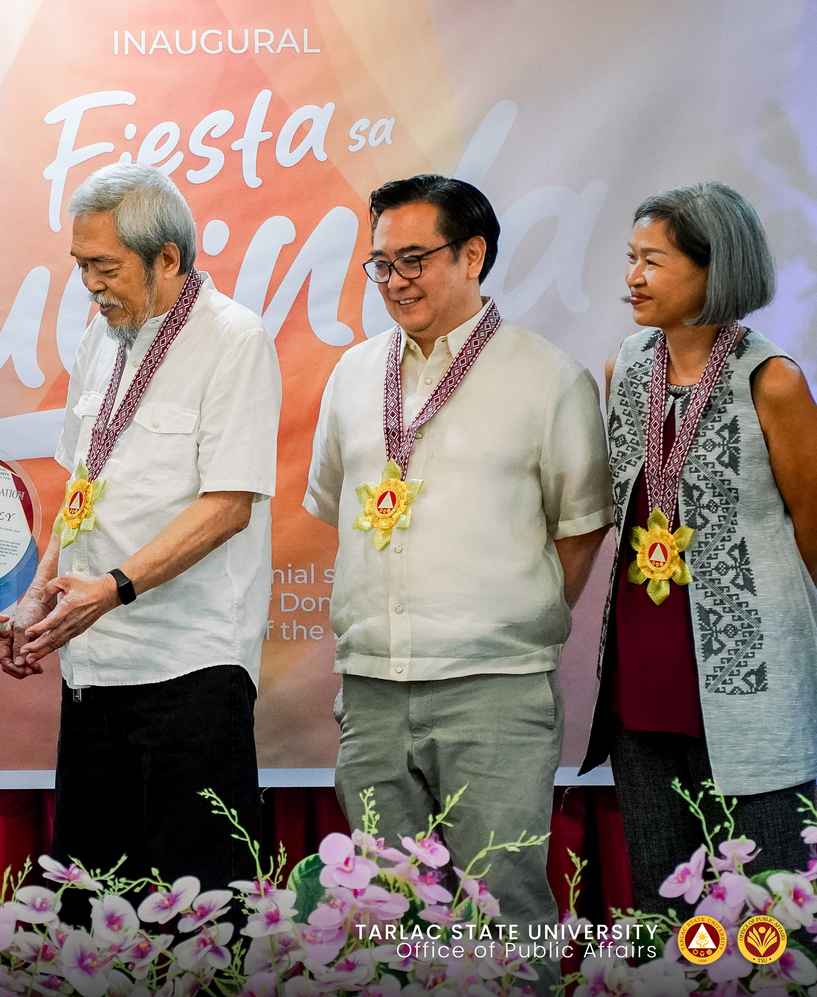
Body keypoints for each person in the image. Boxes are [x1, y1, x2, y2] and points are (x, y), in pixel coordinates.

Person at [305, 175, 613, 949]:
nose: (394, 281)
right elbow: (337, 505)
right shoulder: (352, 375)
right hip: (373, 691)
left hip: (495, 691)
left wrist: (510, 617)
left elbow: (579, 529)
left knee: (504, 910)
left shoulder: (549, 377)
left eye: (414, 259)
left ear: (472, 255)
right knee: (383, 916)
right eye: (381, 264)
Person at [0, 163, 281, 896]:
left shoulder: (235, 339)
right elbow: (79, 488)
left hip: (191, 670)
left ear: (167, 259)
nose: (90, 286)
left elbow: (229, 504)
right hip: (92, 669)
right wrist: (38, 595)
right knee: (86, 908)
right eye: (80, 266)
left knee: (206, 912)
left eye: (105, 267)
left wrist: (113, 588)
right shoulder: (101, 337)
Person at [579, 183, 817, 916]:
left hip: (748, 679)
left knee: (775, 910)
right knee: (665, 907)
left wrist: (750, 601)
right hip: (642, 671)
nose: (632, 276)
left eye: (653, 261)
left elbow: (814, 518)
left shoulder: (773, 379)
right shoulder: (625, 366)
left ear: (715, 269)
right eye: (631, 258)